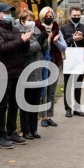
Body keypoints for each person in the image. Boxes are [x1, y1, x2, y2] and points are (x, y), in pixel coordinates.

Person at [0, 3, 31, 149]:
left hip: (17, 71)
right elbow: (3, 48)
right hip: (3, 72)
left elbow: (24, 50)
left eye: (10, 12)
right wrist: (21, 40)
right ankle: (1, 136)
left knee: (14, 104)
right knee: (2, 105)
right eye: (6, 12)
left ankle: (12, 131)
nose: (9, 15)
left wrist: (26, 39)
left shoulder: (15, 29)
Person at [17, 9, 48, 139]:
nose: (32, 22)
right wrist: (40, 43)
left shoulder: (37, 31)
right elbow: (27, 50)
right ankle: (26, 130)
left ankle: (34, 129)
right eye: (29, 20)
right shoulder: (19, 32)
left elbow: (44, 48)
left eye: (33, 20)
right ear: (22, 21)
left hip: (38, 70)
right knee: (26, 103)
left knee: (35, 102)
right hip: (27, 71)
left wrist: (45, 40)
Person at [36, 7, 66, 128]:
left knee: (51, 91)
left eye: (51, 15)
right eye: (46, 16)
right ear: (42, 16)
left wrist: (55, 41)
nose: (49, 18)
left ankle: (49, 116)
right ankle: (42, 116)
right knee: (43, 91)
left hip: (55, 62)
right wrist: (46, 40)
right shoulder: (37, 28)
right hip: (42, 63)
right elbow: (36, 45)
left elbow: (64, 47)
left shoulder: (57, 30)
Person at [60, 7, 84, 117]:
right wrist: (72, 39)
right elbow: (62, 43)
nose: (77, 17)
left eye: (78, 15)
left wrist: (81, 38)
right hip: (68, 58)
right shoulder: (64, 28)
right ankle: (68, 109)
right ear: (70, 15)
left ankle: (77, 108)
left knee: (78, 85)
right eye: (74, 15)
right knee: (68, 84)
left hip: (80, 58)